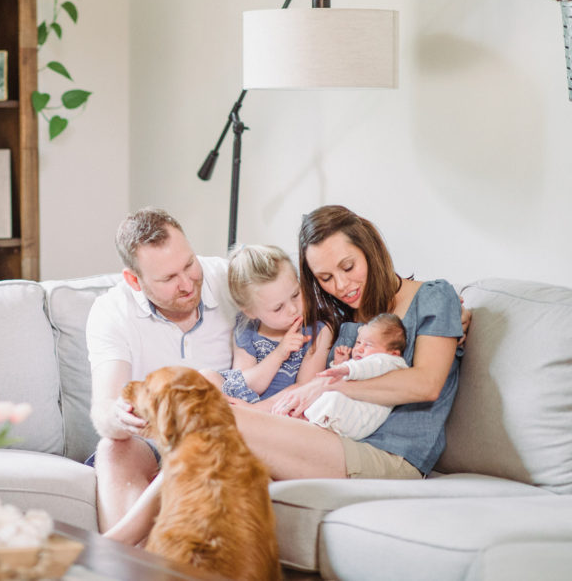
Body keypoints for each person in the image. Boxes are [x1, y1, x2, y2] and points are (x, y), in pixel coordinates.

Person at [102, 204, 466, 546]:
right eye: (325, 277)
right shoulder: (341, 309)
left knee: (215, 418)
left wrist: (326, 383)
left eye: (348, 266)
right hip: (327, 435)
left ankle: (116, 542)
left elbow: (426, 384)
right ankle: (144, 552)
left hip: (389, 454)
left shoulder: (434, 297)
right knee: (208, 420)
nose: (341, 285)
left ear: (371, 248)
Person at [86, 207, 238, 536]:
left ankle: (117, 548)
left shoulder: (230, 281)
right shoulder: (112, 311)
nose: (187, 284)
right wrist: (119, 416)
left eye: (189, 265)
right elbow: (104, 408)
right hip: (152, 437)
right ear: (133, 280)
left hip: (228, 427)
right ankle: (132, 567)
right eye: (169, 278)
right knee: (113, 448)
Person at [199, 244, 332, 404]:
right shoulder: (246, 329)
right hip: (244, 405)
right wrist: (279, 353)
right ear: (250, 312)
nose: (292, 309)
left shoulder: (319, 331)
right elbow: (244, 385)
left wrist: (256, 412)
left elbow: (304, 388)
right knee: (206, 377)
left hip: (284, 410)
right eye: (278, 308)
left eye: (296, 294)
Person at [303, 313, 409, 439]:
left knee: (334, 395)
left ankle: (309, 419)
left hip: (359, 419)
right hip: (345, 415)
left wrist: (346, 368)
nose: (359, 348)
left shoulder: (391, 362)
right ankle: (311, 418)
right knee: (330, 391)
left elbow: (368, 367)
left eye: (368, 345)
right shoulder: (363, 364)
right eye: (358, 342)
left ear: (394, 352)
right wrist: (340, 364)